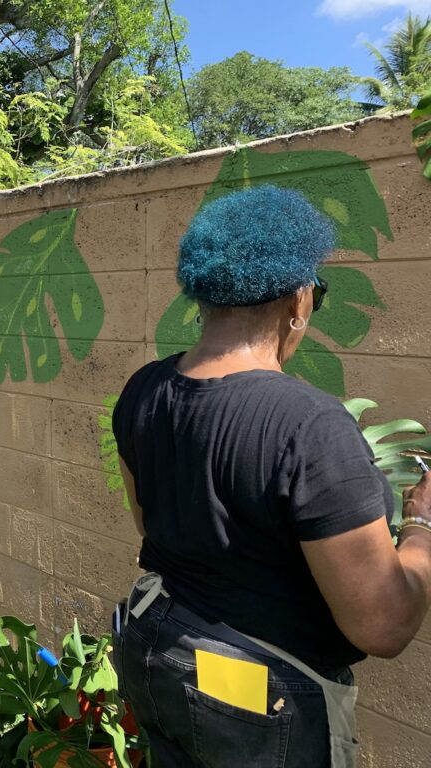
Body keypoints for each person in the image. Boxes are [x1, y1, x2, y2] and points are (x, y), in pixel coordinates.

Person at [112, 186, 431, 768]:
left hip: (163, 652)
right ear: (299, 302)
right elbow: (383, 626)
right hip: (257, 701)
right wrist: (421, 526)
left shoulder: (144, 389)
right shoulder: (310, 425)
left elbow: (151, 523)